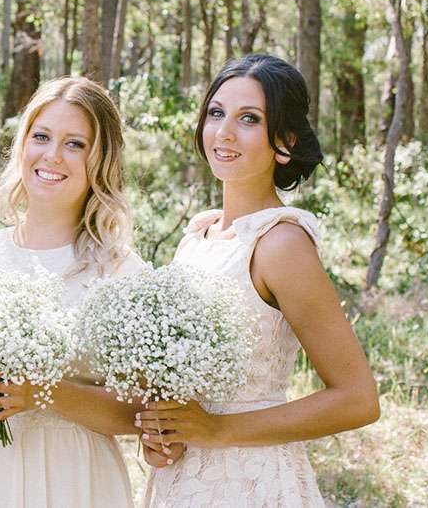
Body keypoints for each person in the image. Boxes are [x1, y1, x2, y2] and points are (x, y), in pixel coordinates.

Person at [137, 53, 380, 507]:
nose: (224, 132)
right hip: (184, 480)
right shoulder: (197, 237)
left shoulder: (280, 243)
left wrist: (218, 430)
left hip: (252, 481)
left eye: (249, 119)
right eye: (216, 113)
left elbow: (358, 399)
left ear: (284, 142)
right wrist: (160, 432)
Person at [0, 76, 172, 508]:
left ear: (101, 160)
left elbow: (142, 414)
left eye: (75, 144)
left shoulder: (122, 272)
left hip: (72, 478)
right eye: (41, 136)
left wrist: (43, 392)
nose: (52, 155)